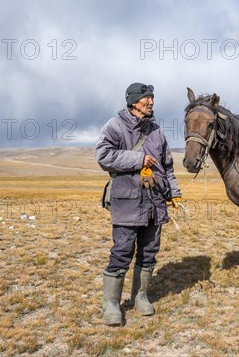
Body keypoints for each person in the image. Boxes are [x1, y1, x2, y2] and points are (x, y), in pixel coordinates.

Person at [96, 82, 181, 326]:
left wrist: (174, 193)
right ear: (134, 101)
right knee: (122, 251)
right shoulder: (115, 126)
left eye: (152, 98)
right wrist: (138, 158)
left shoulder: (157, 131)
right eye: (147, 99)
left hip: (155, 202)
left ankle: (140, 295)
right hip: (127, 202)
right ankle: (111, 303)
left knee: (149, 252)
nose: (151, 102)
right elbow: (102, 155)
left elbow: (167, 167)